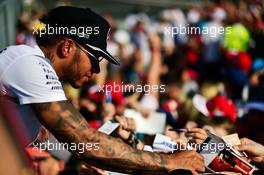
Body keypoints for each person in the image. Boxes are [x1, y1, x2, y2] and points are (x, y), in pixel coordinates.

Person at [0, 6, 205, 174]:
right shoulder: (30, 65)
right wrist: (169, 162)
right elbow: (86, 141)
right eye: (94, 59)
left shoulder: (30, 64)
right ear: (67, 47)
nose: (97, 70)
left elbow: (73, 144)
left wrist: (121, 142)